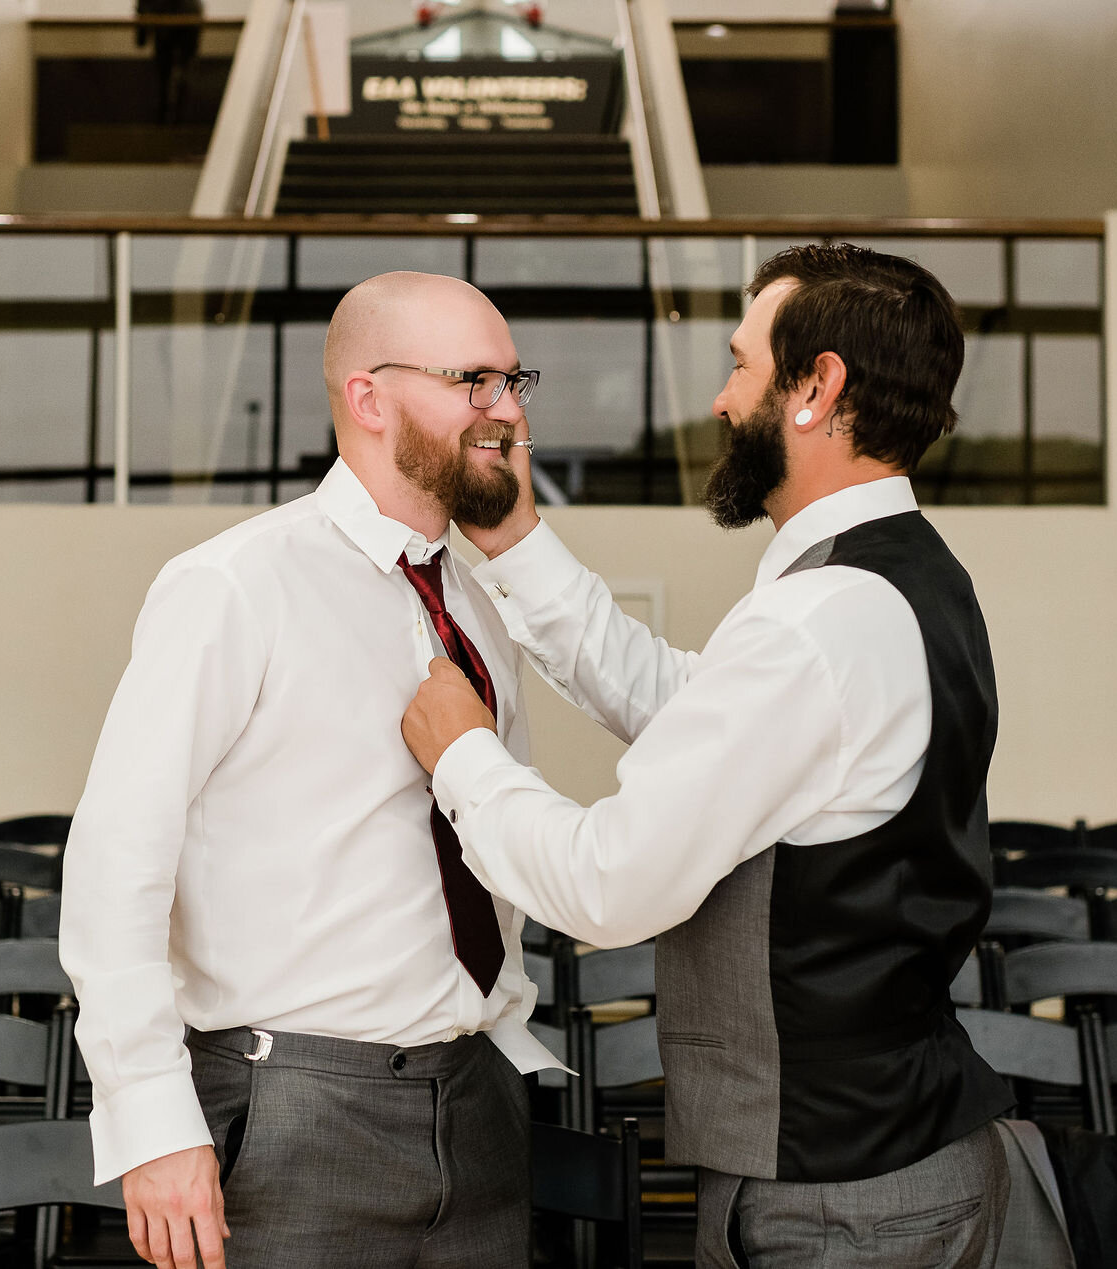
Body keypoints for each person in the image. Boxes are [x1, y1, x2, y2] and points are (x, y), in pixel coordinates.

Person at [402, 243, 1016, 1268]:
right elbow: (688, 711)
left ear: (815, 387)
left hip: (840, 1205)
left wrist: (463, 757)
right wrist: (513, 540)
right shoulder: (900, 581)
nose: (724, 400)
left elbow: (608, 884)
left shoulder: (816, 622)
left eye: (741, 364)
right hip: (894, 1163)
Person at [61, 271, 560, 1269]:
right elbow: (118, 858)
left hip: (477, 1107)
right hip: (292, 1108)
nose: (505, 412)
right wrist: (153, 1120)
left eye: (513, 381)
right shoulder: (232, 584)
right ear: (368, 399)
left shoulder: (477, 603)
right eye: (474, 381)